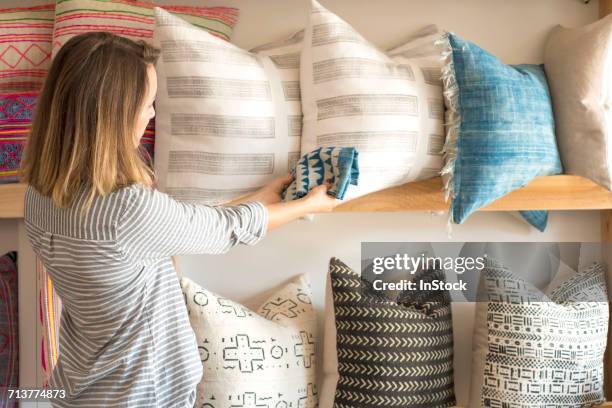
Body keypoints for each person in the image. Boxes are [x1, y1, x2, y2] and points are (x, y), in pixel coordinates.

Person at [19, 31, 340, 407]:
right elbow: (224, 231)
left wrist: (260, 198)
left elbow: (179, 225)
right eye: (146, 104)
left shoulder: (39, 197)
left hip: (82, 389)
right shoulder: (127, 209)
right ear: (113, 114)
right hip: (141, 394)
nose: (152, 114)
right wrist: (309, 205)